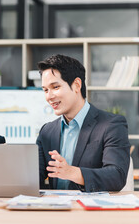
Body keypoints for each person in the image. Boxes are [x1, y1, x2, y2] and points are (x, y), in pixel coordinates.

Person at [36, 54, 130, 192]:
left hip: (90, 212)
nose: (49, 96)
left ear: (76, 85)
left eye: (55, 87)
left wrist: (72, 172)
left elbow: (116, 176)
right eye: (45, 90)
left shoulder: (112, 125)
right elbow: (33, 177)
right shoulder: (47, 131)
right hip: (55, 210)